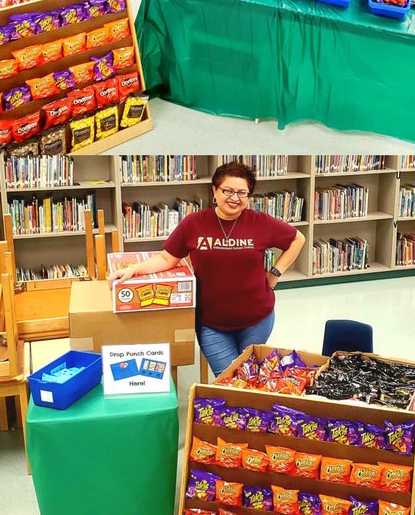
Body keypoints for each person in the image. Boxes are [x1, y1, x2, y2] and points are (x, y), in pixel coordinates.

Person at [114, 161, 305, 376]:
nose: (235, 198)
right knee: (228, 379)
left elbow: (298, 239)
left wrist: (275, 273)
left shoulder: (260, 222)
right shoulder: (194, 223)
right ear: (215, 190)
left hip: (257, 319)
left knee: (250, 378)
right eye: (228, 191)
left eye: (242, 193)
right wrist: (135, 269)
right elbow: (168, 258)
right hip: (212, 324)